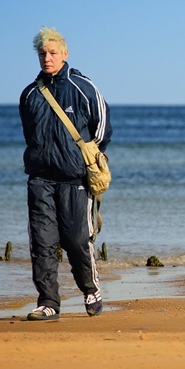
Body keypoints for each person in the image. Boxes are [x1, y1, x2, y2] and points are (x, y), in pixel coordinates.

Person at [19, 26, 113, 320]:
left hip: (75, 180)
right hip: (40, 179)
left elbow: (102, 128)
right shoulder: (30, 94)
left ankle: (90, 290)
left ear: (65, 53)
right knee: (43, 242)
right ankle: (48, 303)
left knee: (76, 240)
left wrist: (82, 157)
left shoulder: (82, 87)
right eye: (42, 53)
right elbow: (29, 134)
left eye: (52, 53)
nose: (47, 58)